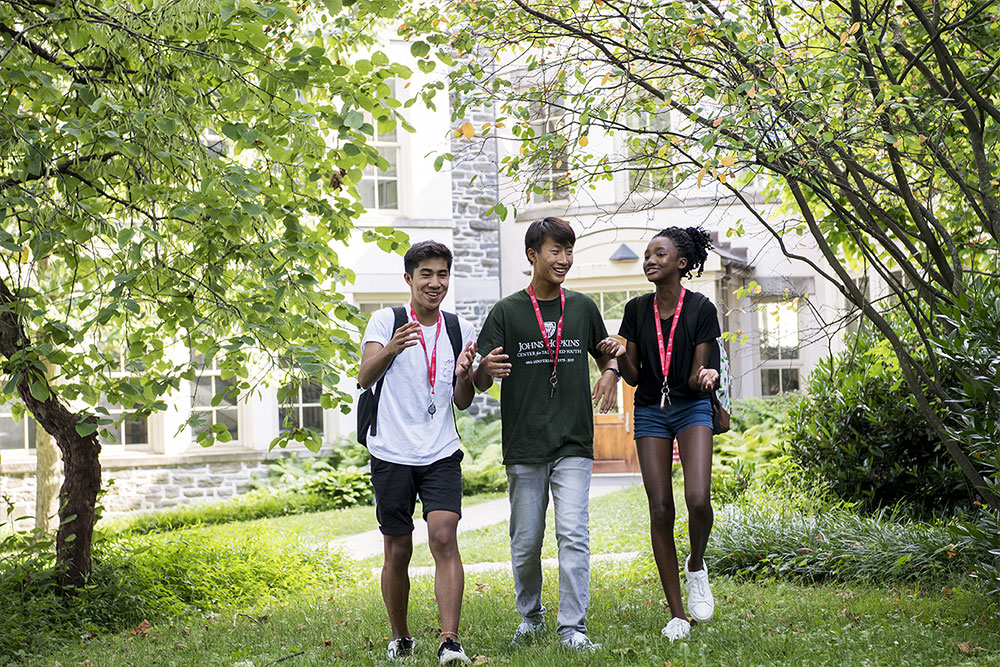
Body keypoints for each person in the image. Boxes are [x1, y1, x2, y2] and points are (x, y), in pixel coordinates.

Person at [474, 217, 622, 652]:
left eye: (569, 251)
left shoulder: (582, 307)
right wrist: (484, 369)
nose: (564, 259)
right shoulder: (506, 311)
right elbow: (482, 380)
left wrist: (611, 372)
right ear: (532, 255)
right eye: (555, 251)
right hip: (525, 444)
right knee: (526, 541)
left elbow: (607, 355)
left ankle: (573, 627)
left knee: (573, 534)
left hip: (574, 440)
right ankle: (531, 616)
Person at [598, 226, 721, 642]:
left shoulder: (701, 308)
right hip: (651, 410)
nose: (649, 260)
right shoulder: (636, 309)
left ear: (681, 264)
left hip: (691, 406)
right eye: (647, 255)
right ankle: (676, 614)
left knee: (698, 499)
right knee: (661, 506)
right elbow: (634, 376)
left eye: (659, 254)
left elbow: (695, 373)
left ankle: (697, 565)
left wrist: (706, 374)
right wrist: (617, 357)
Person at [358, 240, 477, 665]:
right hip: (391, 450)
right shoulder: (385, 320)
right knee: (399, 548)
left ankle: (449, 640)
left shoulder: (456, 328)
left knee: (444, 535)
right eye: (426, 274)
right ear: (409, 279)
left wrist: (466, 374)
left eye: (442, 274)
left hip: (440, 450)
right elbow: (364, 376)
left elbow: (462, 400)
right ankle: (401, 636)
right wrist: (391, 347)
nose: (435, 282)